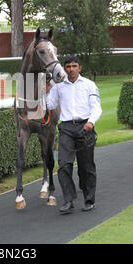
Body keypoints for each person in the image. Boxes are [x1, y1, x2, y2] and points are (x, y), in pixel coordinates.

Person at [45, 55, 102, 214]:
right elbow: (49, 105)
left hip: (85, 127)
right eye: (68, 67)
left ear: (79, 68)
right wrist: (46, 91)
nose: (71, 69)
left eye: (74, 66)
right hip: (66, 129)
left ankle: (89, 199)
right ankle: (68, 201)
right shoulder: (59, 87)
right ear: (65, 68)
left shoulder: (89, 85)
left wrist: (91, 122)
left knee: (86, 167)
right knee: (64, 165)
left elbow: (96, 107)